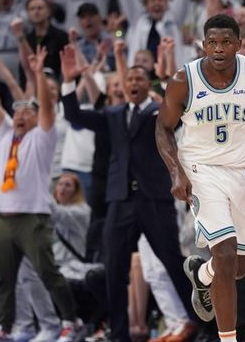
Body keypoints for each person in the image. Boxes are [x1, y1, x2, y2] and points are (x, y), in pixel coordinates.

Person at [61, 44, 198, 342]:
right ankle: (119, 335)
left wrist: (164, 80)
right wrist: (69, 81)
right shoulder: (112, 114)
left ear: (147, 85)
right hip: (120, 201)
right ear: (123, 85)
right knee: (114, 271)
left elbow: (183, 107)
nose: (133, 83)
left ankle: (206, 328)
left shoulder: (157, 112)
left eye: (139, 79)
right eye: (129, 79)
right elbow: (72, 113)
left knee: (173, 264)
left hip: (154, 200)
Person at [155, 14, 245, 342]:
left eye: (226, 42)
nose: (219, 49)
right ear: (203, 45)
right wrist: (176, 173)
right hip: (201, 172)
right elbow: (163, 127)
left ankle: (200, 272)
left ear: (239, 44)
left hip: (243, 173)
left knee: (236, 269)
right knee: (223, 255)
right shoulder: (185, 79)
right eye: (213, 42)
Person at [0, 43, 83, 342]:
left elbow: (47, 106)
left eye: (27, 111)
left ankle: (71, 322)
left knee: (48, 273)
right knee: (3, 280)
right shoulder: (6, 135)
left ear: (37, 118)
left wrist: (37, 75)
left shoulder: (43, 137)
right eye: (18, 111)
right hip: (4, 219)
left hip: (32, 217)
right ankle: (4, 329)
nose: (20, 115)